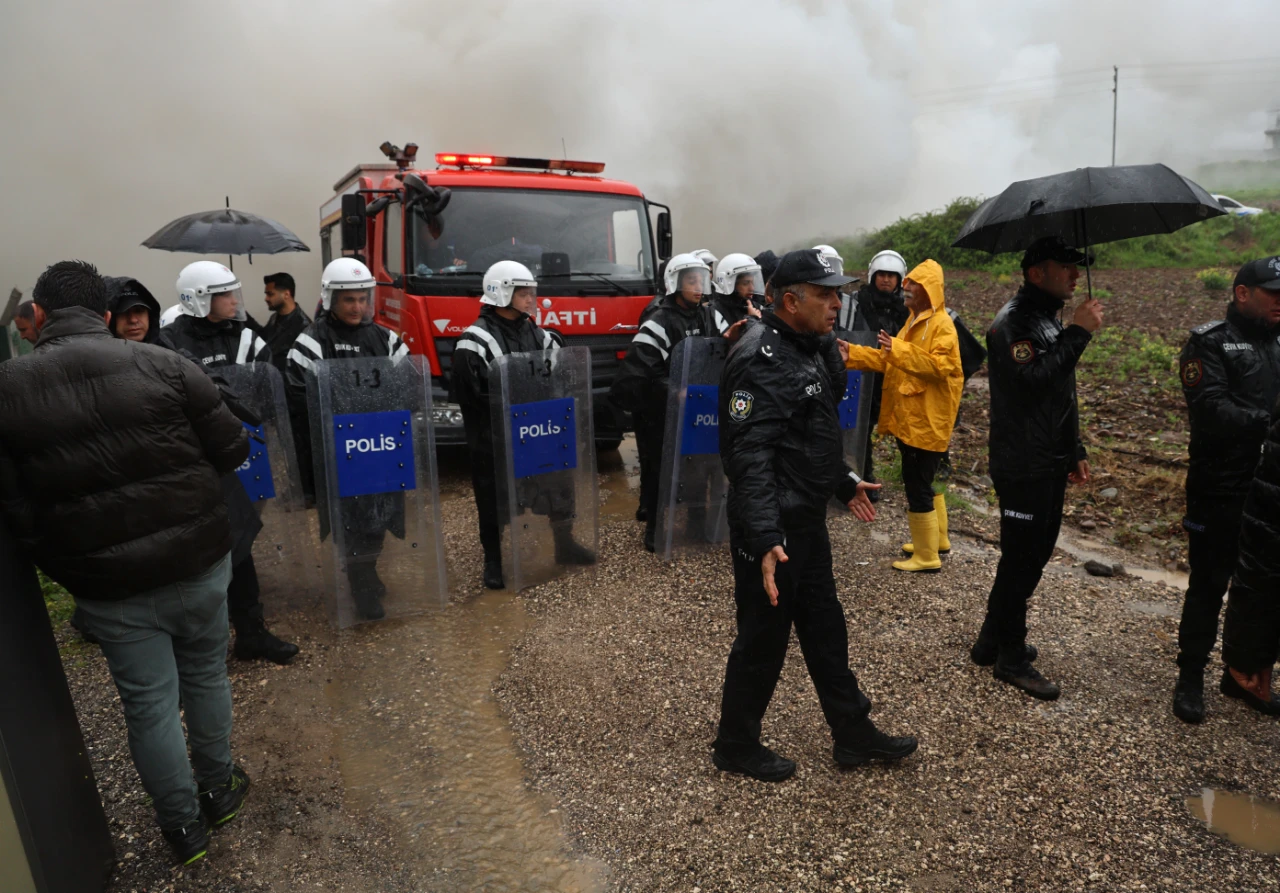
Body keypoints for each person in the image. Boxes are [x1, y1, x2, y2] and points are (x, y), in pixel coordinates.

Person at [0, 260, 252, 865]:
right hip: (197, 561)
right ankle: (219, 788)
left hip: (107, 584)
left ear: (38, 317)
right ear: (108, 316)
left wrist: (66, 562)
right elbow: (233, 447)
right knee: (207, 674)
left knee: (148, 703)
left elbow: (17, 510)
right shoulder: (167, 366)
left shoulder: (9, 389)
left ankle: (182, 826)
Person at [713, 248, 915, 782]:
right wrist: (763, 536)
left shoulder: (811, 345)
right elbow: (749, 455)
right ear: (789, 300)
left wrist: (841, 481)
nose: (836, 304)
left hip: (805, 518)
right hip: (773, 527)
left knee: (826, 628)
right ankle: (735, 744)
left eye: (839, 293)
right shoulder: (761, 360)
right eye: (825, 295)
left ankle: (852, 733)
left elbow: (806, 438)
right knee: (763, 638)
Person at [974, 236, 1103, 701]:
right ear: (1036, 273)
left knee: (1034, 554)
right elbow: (1032, 381)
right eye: (1064, 266)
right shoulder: (1014, 324)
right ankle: (1010, 656)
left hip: (1048, 458)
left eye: (1076, 267)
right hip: (1022, 463)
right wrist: (1080, 332)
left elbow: (1059, 394)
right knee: (1022, 558)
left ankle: (991, 638)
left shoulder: (1046, 320)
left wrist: (1076, 448)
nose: (1073, 273)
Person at [157, 262, 299, 665]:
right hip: (193, 463)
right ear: (199, 298)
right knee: (199, 554)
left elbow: (270, 394)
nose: (236, 300)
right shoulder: (167, 343)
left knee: (241, 541)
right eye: (226, 294)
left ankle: (251, 632)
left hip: (244, 454)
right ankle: (201, 646)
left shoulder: (249, 338)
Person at [1176, 256, 1280, 721]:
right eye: (1273, 294)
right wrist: (1272, 424)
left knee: (1262, 588)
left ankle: (1243, 674)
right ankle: (1189, 677)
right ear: (1242, 293)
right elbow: (1212, 410)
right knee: (1208, 584)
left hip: (1270, 489)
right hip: (1219, 486)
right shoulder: (1209, 342)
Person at [449, 260, 593, 589]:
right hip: (495, 440)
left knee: (558, 485)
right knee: (494, 497)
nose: (532, 300)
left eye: (532, 292)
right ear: (500, 293)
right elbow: (471, 400)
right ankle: (494, 561)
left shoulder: (542, 335)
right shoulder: (473, 342)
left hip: (540, 433)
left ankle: (564, 544)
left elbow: (562, 380)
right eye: (524, 293)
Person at [285, 258, 411, 620]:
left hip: (381, 448)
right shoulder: (309, 343)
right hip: (338, 452)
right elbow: (299, 399)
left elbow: (406, 387)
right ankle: (362, 585)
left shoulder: (387, 339)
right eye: (348, 300)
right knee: (351, 522)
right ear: (330, 300)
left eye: (362, 299)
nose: (357, 307)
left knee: (382, 515)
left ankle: (367, 572)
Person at [843, 260, 963, 573]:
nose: (906, 289)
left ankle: (926, 556)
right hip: (915, 419)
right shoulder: (915, 321)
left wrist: (897, 348)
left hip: (927, 420)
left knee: (917, 484)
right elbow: (890, 359)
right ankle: (937, 540)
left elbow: (939, 367)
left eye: (914, 285)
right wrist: (853, 354)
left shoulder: (941, 326)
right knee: (926, 480)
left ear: (929, 291)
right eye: (907, 284)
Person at [611, 253, 708, 552]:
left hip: (693, 409)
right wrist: (674, 390)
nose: (698, 285)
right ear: (675, 283)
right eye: (691, 280)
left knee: (698, 465)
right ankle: (654, 528)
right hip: (658, 412)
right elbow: (641, 371)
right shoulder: (658, 321)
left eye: (700, 279)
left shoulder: (706, 316)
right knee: (656, 470)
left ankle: (696, 525)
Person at [836, 250, 911, 494]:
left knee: (906, 428)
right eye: (882, 274)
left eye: (891, 275)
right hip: (865, 374)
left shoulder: (907, 308)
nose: (886, 280)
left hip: (897, 376)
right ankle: (862, 477)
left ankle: (913, 476)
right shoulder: (856, 303)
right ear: (873, 276)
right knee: (861, 428)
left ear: (900, 279)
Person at [259, 272, 312, 374]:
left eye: (270, 294)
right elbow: (263, 339)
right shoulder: (274, 318)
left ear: (286, 294)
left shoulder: (303, 326)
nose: (266, 299)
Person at [702, 253, 763, 338]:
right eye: (745, 283)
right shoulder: (714, 312)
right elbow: (730, 346)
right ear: (729, 284)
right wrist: (751, 320)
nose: (752, 288)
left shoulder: (756, 307)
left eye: (753, 282)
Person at [105, 276, 161, 344]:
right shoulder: (94, 353)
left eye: (138, 311)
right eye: (124, 313)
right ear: (108, 317)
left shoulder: (168, 351)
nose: (133, 320)